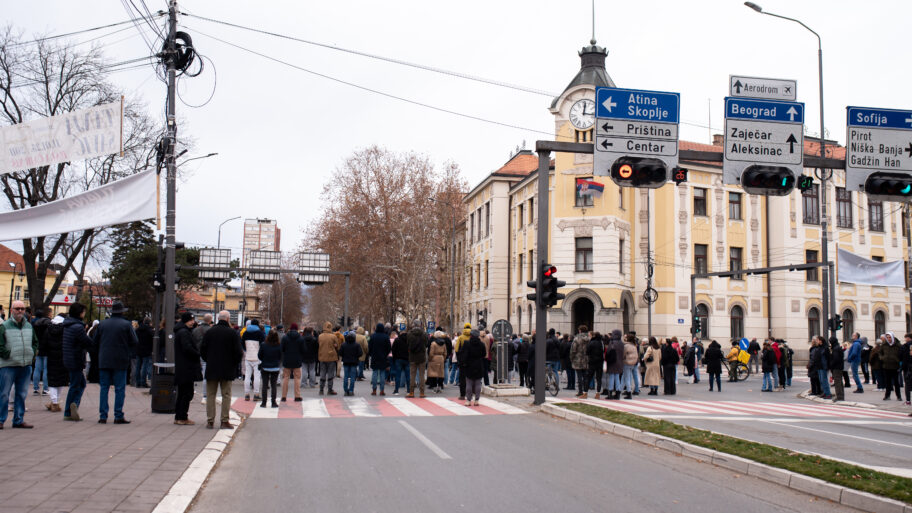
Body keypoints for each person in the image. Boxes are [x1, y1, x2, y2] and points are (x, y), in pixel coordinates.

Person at [93, 302, 137, 424]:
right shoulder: (126, 324)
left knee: (104, 388)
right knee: (119, 389)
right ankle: (118, 415)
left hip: (104, 359)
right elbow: (134, 341)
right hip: (120, 359)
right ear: (122, 312)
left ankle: (103, 415)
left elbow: (94, 341)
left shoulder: (102, 324)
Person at [200, 310, 244, 429]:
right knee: (226, 395)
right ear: (228, 319)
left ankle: (210, 421)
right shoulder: (232, 333)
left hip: (212, 367)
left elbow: (202, 350)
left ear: (218, 318)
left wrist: (209, 360)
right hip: (227, 368)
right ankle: (224, 420)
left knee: (210, 395)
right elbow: (238, 352)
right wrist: (234, 364)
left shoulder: (210, 332)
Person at [0, 300, 38, 429]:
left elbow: (35, 342)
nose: (20, 311)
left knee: (21, 394)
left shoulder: (29, 326)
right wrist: (8, 354)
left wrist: (32, 353)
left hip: (25, 365)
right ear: (11, 310)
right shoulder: (4, 326)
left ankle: (18, 419)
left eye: (22, 308)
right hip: (8, 365)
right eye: (17, 309)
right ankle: (1, 420)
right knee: (4, 394)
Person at [61, 303, 92, 421]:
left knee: (79, 383)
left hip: (69, 358)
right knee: (76, 385)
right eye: (83, 311)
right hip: (75, 359)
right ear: (79, 313)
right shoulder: (78, 327)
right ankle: (71, 408)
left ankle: (71, 407)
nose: (84, 313)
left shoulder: (68, 325)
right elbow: (87, 342)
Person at [173, 312, 201, 425]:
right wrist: (197, 354)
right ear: (185, 321)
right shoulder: (184, 332)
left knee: (182, 393)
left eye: (193, 320)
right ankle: (182, 417)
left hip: (182, 366)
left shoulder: (181, 331)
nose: (192, 322)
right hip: (187, 367)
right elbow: (187, 348)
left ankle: (178, 416)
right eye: (190, 320)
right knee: (187, 393)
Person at [44, 313, 68, 413]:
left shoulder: (48, 329)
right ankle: (56, 401)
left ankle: (54, 402)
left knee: (52, 380)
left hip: (51, 357)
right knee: (60, 380)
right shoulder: (65, 329)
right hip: (62, 356)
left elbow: (44, 343)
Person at [460, 329, 486, 406]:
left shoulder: (467, 343)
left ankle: (468, 400)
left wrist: (463, 363)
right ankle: (476, 400)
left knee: (469, 383)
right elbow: (484, 354)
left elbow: (463, 354)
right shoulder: (482, 344)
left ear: (471, 335)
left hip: (469, 365)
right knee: (478, 383)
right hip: (479, 364)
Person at [280, 324, 304, 401]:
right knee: (297, 378)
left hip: (287, 360)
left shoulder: (285, 337)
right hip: (297, 360)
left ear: (290, 329)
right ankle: (297, 396)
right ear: (297, 329)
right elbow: (304, 349)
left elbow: (281, 348)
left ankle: (284, 396)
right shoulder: (300, 338)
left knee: (285, 378)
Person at [242, 319, 265, 402]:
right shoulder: (260, 333)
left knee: (247, 376)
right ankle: (256, 394)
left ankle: (246, 394)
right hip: (257, 357)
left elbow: (242, 344)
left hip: (248, 356)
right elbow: (263, 345)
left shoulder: (245, 333)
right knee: (257, 376)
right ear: (257, 324)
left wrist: (246, 350)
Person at [258, 330, 282, 406]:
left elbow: (259, 356)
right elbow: (281, 356)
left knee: (265, 385)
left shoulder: (263, 344)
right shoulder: (279, 345)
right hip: (275, 367)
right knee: (273, 385)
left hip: (265, 366)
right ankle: (273, 402)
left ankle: (264, 402)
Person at [191, 314, 212, 401]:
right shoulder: (211, 330)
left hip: (196, 353)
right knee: (205, 375)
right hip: (207, 355)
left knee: (193, 373)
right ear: (210, 320)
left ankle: (191, 391)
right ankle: (205, 395)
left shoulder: (195, 330)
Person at [31, 308, 51, 396]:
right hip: (47, 349)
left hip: (38, 349)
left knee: (37, 369)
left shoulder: (35, 324)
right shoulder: (49, 323)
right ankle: (45, 389)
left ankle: (36, 388)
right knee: (46, 369)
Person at [318, 321, 341, 395]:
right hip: (331, 357)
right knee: (330, 373)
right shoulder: (333, 336)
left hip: (322, 356)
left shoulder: (320, 336)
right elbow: (338, 346)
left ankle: (321, 389)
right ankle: (330, 389)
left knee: (322, 373)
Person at [406, 321, 428, 398]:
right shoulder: (424, 334)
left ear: (413, 325)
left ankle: (411, 392)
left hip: (412, 356)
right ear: (420, 325)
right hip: (422, 356)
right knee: (422, 375)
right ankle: (422, 392)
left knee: (412, 375)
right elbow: (426, 344)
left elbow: (408, 344)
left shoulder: (409, 334)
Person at [368, 323, 391, 395]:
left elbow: (369, 347)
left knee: (374, 372)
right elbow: (389, 348)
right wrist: (385, 354)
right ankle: (382, 390)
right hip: (383, 357)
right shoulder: (386, 337)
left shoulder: (373, 336)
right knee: (382, 373)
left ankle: (374, 390)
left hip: (374, 357)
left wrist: (371, 354)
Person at [880, 332, 902, 401]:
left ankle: (898, 396)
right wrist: (882, 358)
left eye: (890, 337)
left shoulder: (897, 345)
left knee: (896, 382)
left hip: (895, 366)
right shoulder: (884, 345)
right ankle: (887, 395)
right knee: (888, 382)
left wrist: (898, 360)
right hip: (886, 366)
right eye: (887, 337)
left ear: (892, 337)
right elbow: (880, 353)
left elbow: (901, 354)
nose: (889, 339)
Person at [570, 325, 590, 398]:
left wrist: (571, 358)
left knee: (579, 376)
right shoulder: (589, 339)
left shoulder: (577, 338)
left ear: (580, 330)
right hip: (586, 359)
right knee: (585, 376)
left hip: (578, 359)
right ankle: (585, 391)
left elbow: (573, 350)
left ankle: (580, 391)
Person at [134, 318, 154, 387]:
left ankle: (137, 382)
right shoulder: (149, 330)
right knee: (144, 366)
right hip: (147, 350)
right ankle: (143, 382)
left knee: (138, 366)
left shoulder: (137, 330)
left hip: (138, 350)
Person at [454, 324, 471, 399]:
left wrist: (459, 359)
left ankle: (462, 395)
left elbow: (456, 349)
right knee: (470, 378)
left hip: (462, 361)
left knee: (462, 378)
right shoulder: (472, 337)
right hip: (471, 361)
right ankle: (470, 393)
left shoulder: (460, 337)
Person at [391, 328, 410, 395]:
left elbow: (393, 350)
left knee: (398, 375)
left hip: (398, 359)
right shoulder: (409, 340)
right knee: (408, 376)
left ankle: (396, 390)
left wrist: (394, 358)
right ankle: (408, 390)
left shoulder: (397, 340)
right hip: (407, 359)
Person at [621, 333, 639, 399]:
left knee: (627, 378)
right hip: (633, 363)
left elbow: (623, 354)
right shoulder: (634, 345)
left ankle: (628, 392)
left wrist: (622, 359)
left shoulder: (626, 346)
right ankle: (621, 390)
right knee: (627, 377)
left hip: (627, 362)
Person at [829, 337, 845, 401]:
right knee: (839, 382)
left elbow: (835, 359)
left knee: (837, 382)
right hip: (839, 367)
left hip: (836, 367)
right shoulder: (838, 347)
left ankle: (839, 396)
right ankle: (841, 395)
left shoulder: (835, 349)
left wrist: (831, 365)